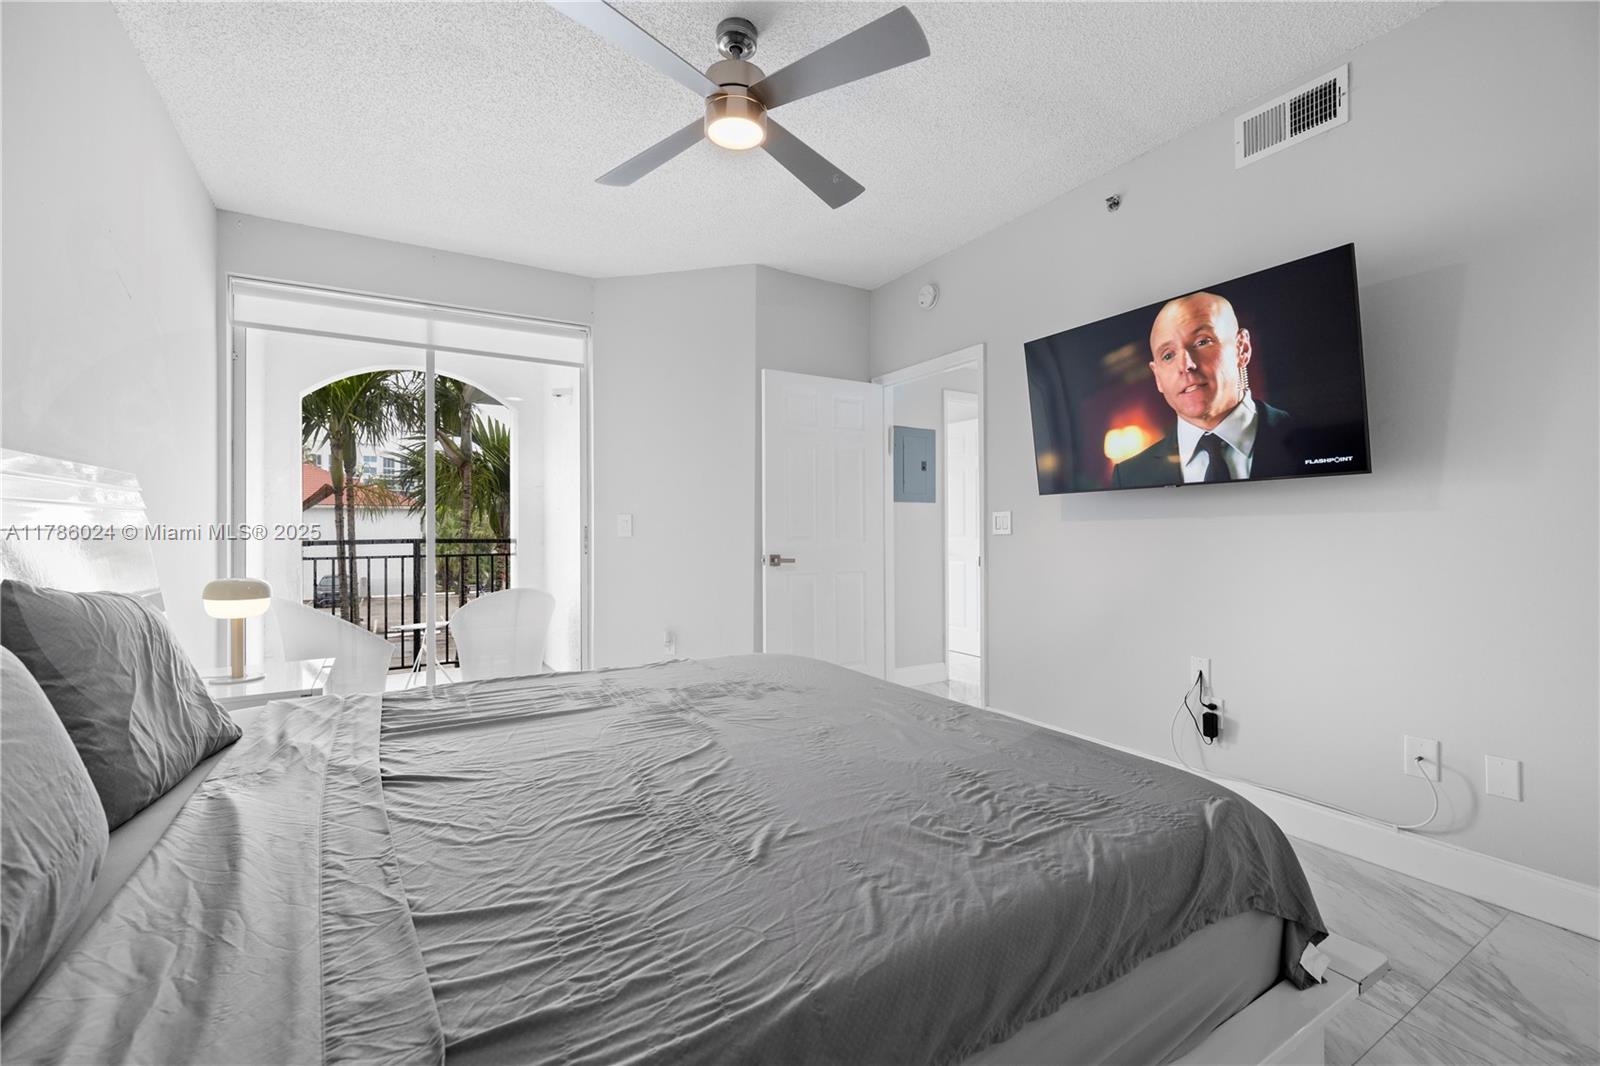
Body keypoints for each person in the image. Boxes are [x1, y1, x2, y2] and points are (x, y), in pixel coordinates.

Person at [1111, 291, 1297, 488]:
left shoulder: (1311, 441)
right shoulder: (1130, 476)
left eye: (1202, 342)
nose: (1186, 365)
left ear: (1242, 348)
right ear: (1157, 377)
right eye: (1168, 355)